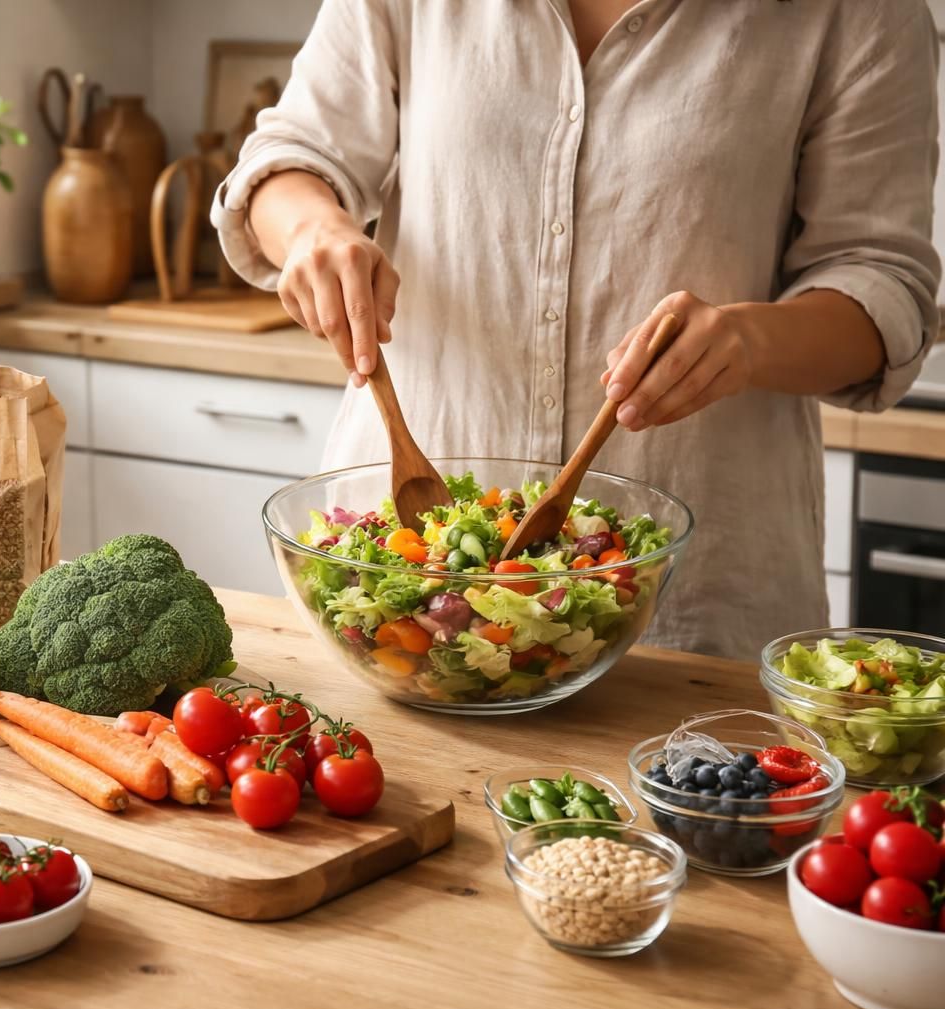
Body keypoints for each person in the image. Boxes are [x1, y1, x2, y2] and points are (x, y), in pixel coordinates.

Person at [212, 0, 941, 659]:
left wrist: (749, 342)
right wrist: (312, 229)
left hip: (692, 608)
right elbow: (291, 157)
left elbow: (884, 284)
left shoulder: (857, 11)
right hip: (392, 601)